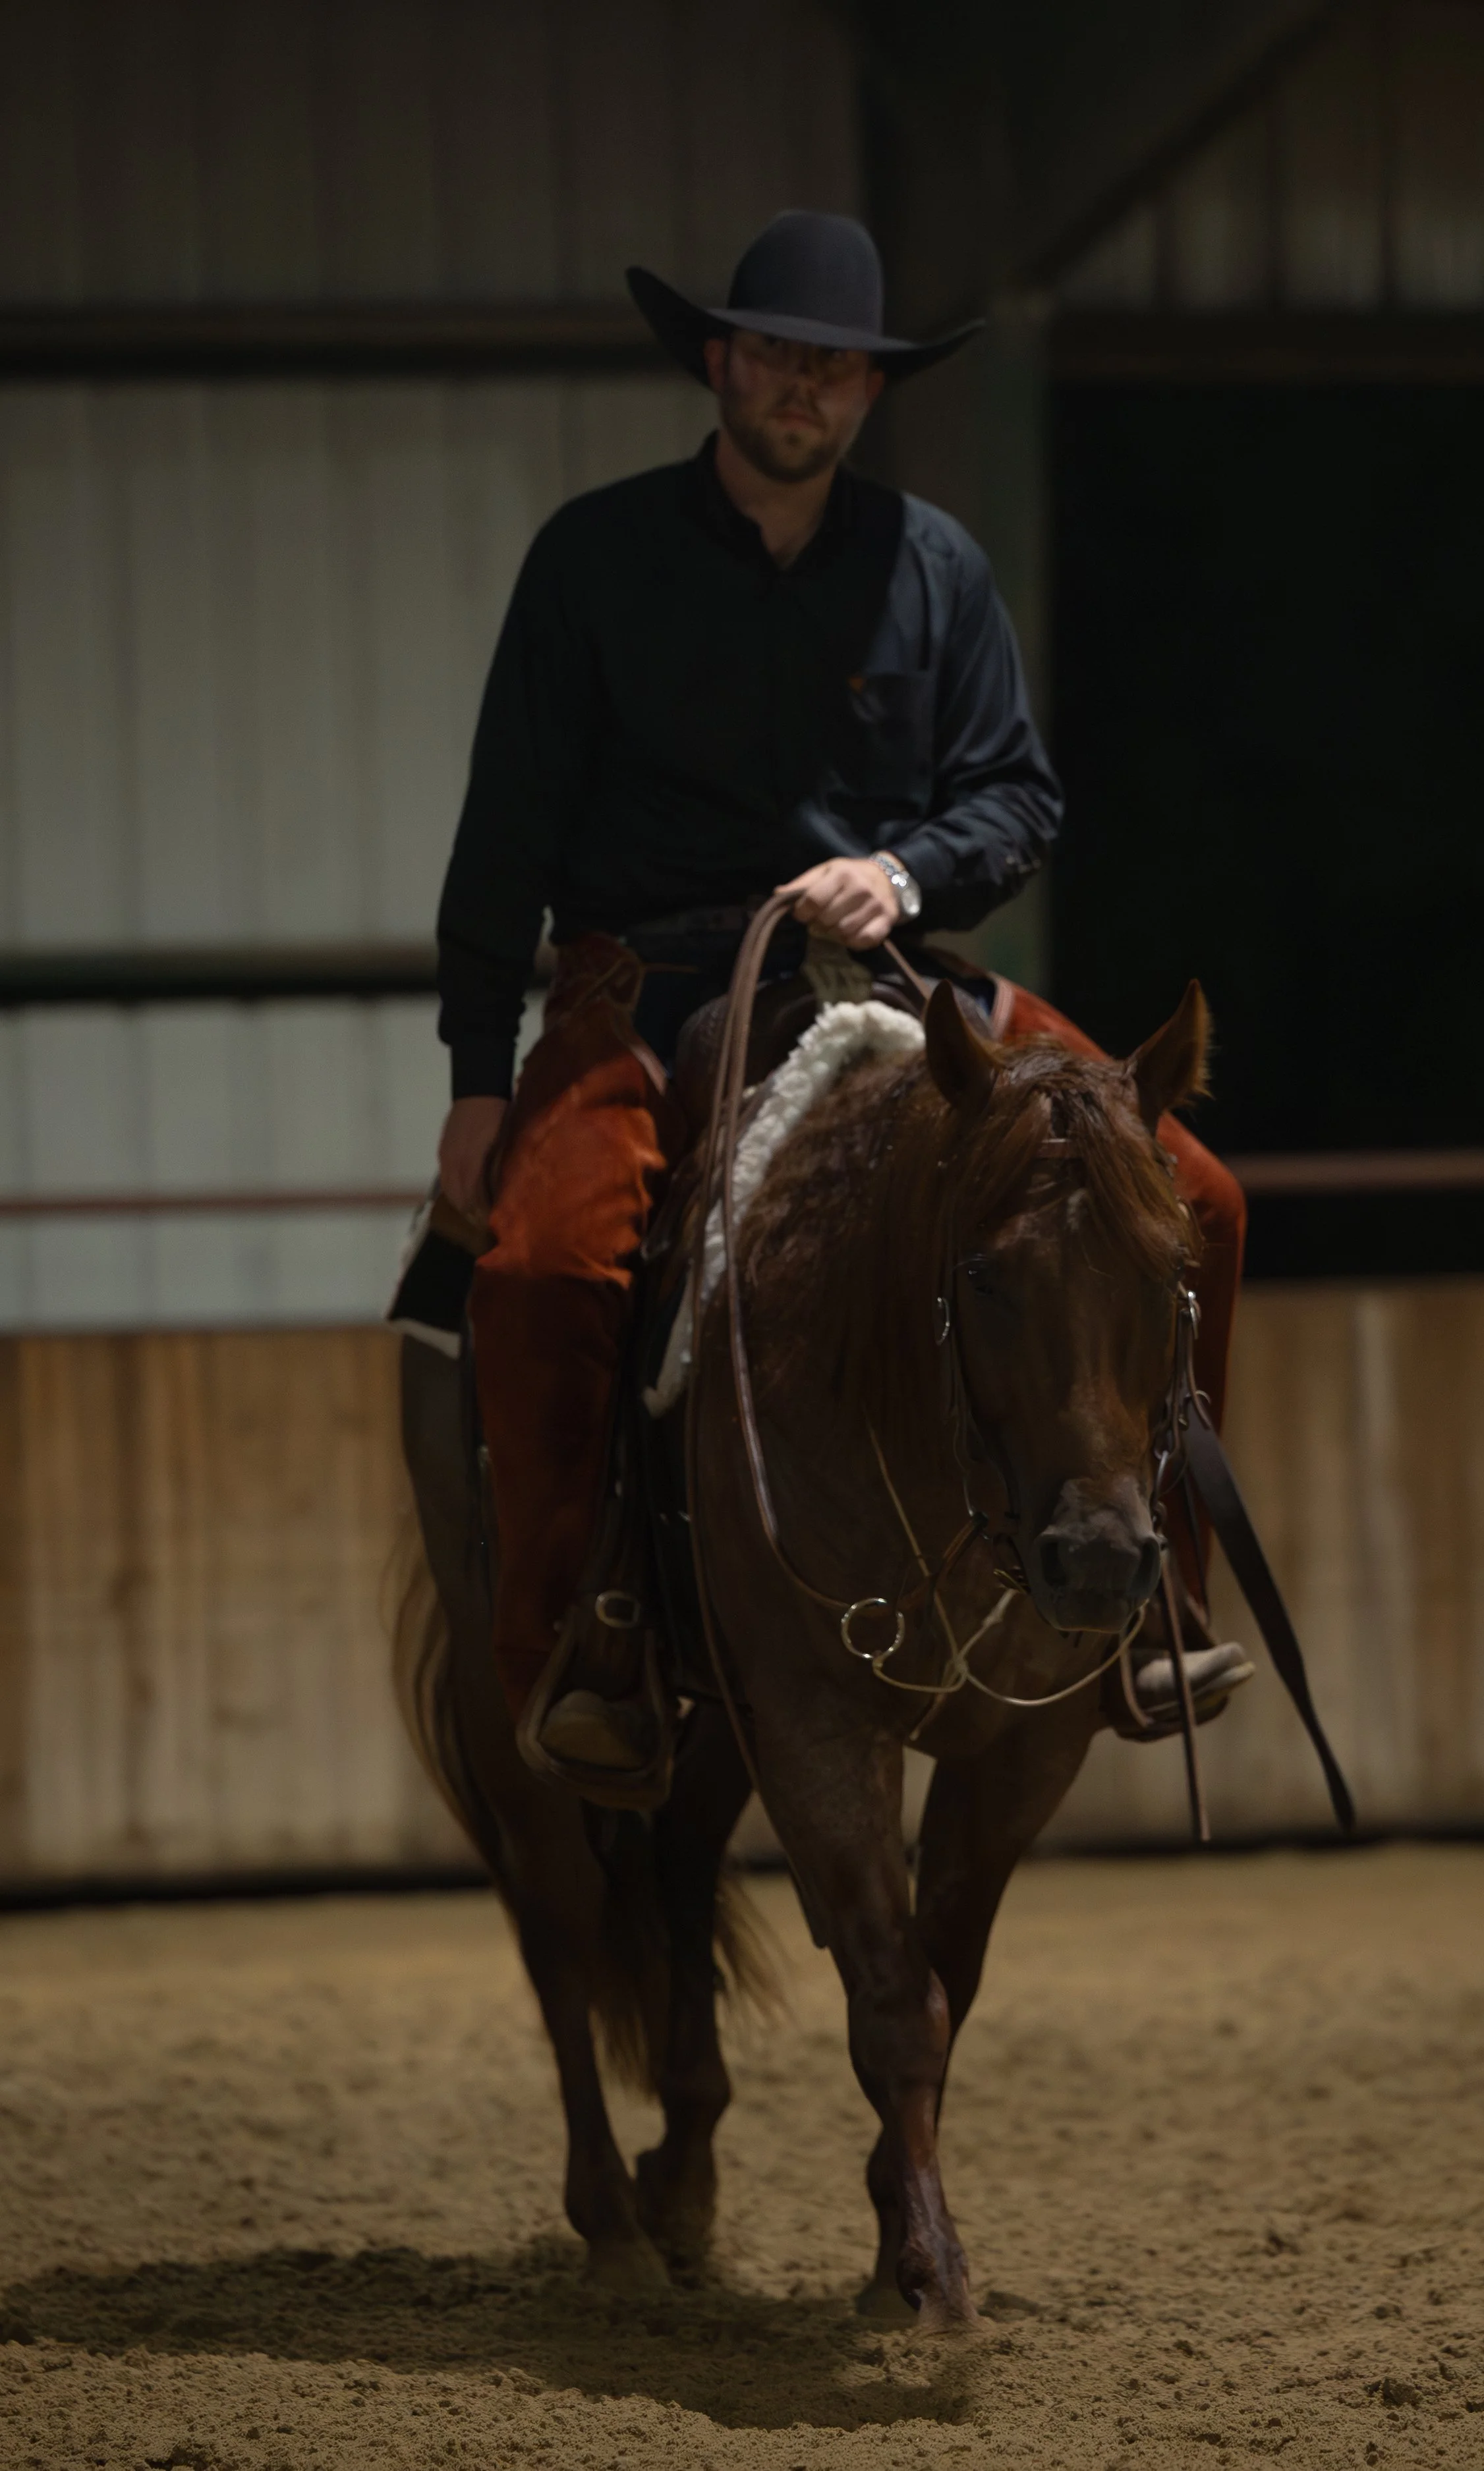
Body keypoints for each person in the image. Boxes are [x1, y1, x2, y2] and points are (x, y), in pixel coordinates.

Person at [432, 210, 1246, 1778]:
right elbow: (500, 845)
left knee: (1195, 1195)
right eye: (774, 354)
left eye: (833, 367)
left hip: (888, 964)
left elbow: (1016, 796)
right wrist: (481, 1074)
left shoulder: (932, 567)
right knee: (542, 1265)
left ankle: (1154, 1602)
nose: (800, 387)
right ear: (719, 364)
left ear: (866, 396)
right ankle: (580, 1638)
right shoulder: (590, 563)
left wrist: (909, 872)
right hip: (639, 977)